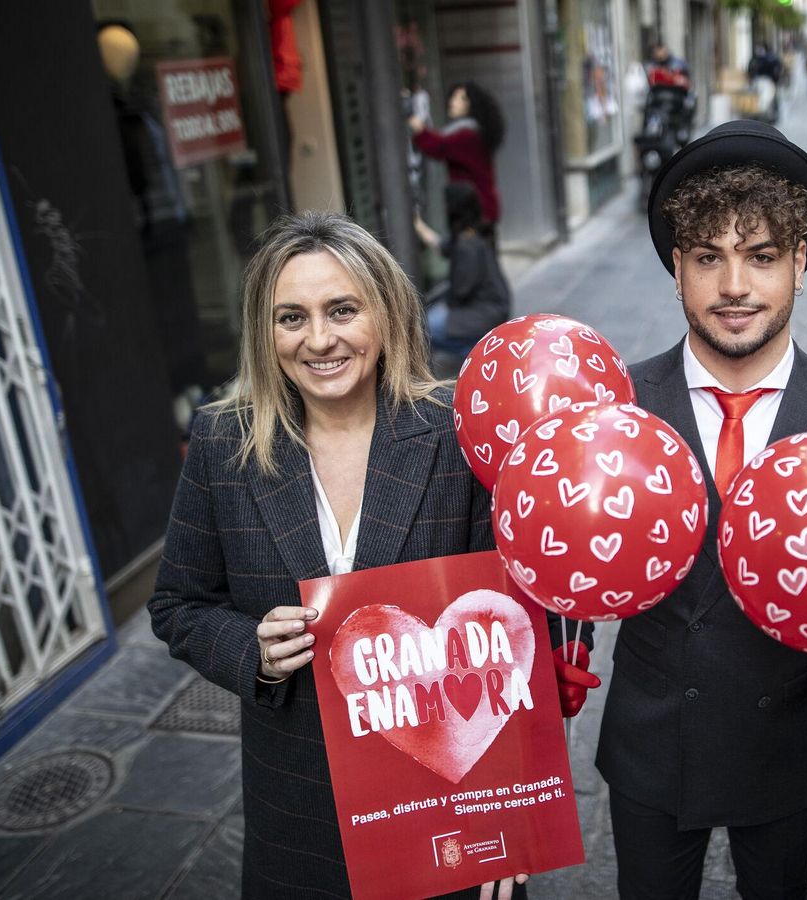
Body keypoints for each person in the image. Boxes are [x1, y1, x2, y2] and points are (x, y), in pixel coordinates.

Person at [553, 120, 807, 899]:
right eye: (709, 257)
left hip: (784, 742)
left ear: (800, 265)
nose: (734, 286)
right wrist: (555, 643)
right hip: (650, 744)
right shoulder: (618, 408)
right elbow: (561, 535)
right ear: (677, 269)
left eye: (762, 256)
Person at [147, 212, 529, 900]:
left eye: (342, 310)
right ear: (266, 334)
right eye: (290, 317)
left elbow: (503, 632)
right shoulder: (222, 444)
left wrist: (510, 815)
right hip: (301, 805)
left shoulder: (455, 433)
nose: (318, 339)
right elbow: (177, 604)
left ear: (385, 313)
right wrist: (250, 648)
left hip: (444, 798)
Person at [415, 182, 510, 363]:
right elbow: (441, 246)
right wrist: (419, 226)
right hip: (495, 307)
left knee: (423, 328)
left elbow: (460, 292)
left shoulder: (467, 245)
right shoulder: (475, 231)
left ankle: (479, 352)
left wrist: (442, 304)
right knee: (431, 317)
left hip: (484, 312)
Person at [410, 82, 505, 237]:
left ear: (471, 105)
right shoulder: (473, 131)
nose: (452, 101)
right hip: (481, 208)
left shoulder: (467, 136)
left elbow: (438, 147)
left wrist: (419, 128)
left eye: (460, 98)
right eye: (453, 96)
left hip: (476, 211)